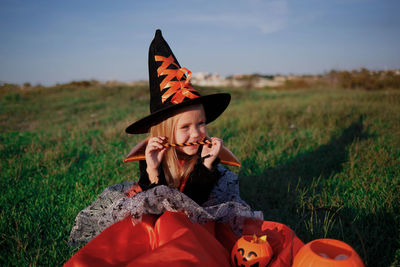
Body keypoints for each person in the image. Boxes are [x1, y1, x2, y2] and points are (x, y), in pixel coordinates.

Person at [65, 30, 303, 267]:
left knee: (190, 235)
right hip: (159, 218)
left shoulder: (206, 156)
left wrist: (208, 166)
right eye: (185, 127)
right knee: (136, 234)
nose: (196, 133)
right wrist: (152, 169)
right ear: (166, 132)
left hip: (196, 219)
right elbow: (153, 205)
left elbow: (195, 203)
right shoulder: (153, 154)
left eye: (201, 124)